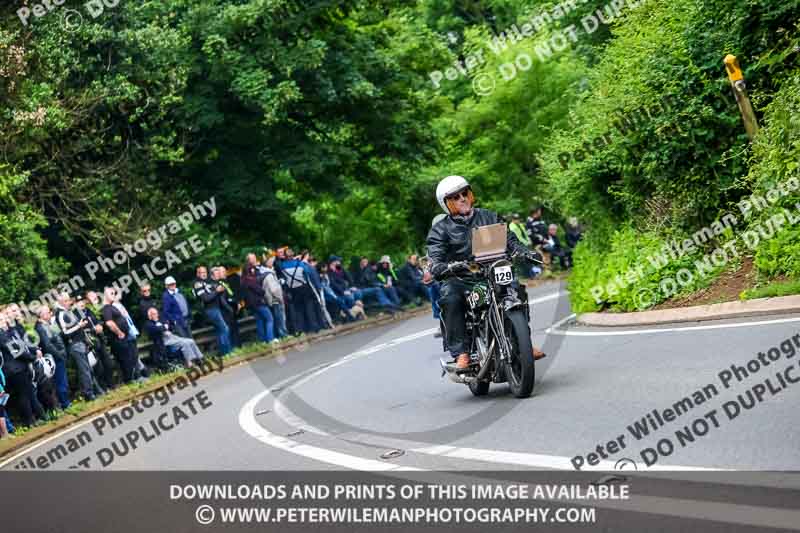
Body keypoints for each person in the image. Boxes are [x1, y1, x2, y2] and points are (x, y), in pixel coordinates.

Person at [426, 175, 546, 370]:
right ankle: (461, 353)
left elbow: (511, 241)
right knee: (449, 298)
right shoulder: (440, 230)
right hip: (460, 278)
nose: (462, 198)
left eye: (465, 193)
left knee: (516, 289)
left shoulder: (490, 217)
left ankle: (523, 342)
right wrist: (442, 267)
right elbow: (436, 257)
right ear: (446, 204)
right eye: (455, 197)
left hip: (492, 271)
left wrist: (525, 252)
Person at [55, 293, 104, 400]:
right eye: (68, 300)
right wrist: (79, 326)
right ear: (62, 302)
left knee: (88, 369)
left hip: (81, 342)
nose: (70, 302)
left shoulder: (68, 312)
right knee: (85, 370)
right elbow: (65, 332)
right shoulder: (60, 314)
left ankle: (97, 391)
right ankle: (89, 394)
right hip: (75, 345)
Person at [0, 309, 44, 426]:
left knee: (28, 393)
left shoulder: (8, 332)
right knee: (23, 396)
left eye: (4, 319)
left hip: (19, 367)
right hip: (14, 370)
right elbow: (15, 351)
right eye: (1, 320)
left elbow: (21, 346)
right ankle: (30, 421)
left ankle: (38, 417)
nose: (4, 321)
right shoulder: (1, 335)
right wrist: (33, 357)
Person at [75, 294, 117, 389]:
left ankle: (111, 384)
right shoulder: (75, 315)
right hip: (89, 343)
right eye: (78, 302)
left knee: (108, 362)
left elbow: (97, 321)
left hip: (99, 339)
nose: (81, 303)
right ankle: (104, 387)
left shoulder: (89, 311)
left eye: (82, 301)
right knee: (98, 367)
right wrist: (93, 329)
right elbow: (79, 329)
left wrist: (100, 325)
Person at [35, 306, 71, 409]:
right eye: (48, 312)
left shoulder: (50, 323)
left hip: (61, 355)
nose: (50, 313)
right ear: (41, 315)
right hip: (55, 358)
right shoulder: (40, 328)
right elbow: (47, 345)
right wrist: (60, 355)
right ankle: (65, 403)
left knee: (63, 381)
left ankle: (65, 402)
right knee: (60, 381)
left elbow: (59, 336)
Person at [280, 251, 324, 334]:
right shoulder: (299, 263)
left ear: (285, 257)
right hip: (303, 287)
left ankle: (302, 329)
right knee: (309, 307)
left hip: (293, 290)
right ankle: (314, 327)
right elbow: (308, 271)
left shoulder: (282, 266)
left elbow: (284, 279)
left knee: (298, 310)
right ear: (293, 256)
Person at [101, 287, 138, 383]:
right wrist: (119, 332)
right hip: (117, 339)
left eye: (114, 293)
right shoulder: (106, 309)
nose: (114, 295)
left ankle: (131, 379)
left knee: (129, 358)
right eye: (111, 293)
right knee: (125, 360)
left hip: (123, 337)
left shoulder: (112, 306)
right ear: (105, 296)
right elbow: (109, 323)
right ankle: (129, 381)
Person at [193, 266, 232, 356]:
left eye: (205, 272)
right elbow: (206, 298)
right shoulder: (197, 284)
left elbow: (216, 294)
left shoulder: (207, 282)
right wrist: (217, 291)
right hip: (210, 309)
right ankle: (227, 352)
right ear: (198, 273)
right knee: (225, 329)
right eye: (202, 273)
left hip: (216, 308)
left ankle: (224, 352)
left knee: (219, 330)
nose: (204, 274)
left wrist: (220, 290)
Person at [241, 254, 276, 342]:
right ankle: (270, 339)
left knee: (259, 321)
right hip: (258, 302)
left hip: (251, 304)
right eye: (252, 270)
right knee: (269, 319)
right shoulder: (250, 280)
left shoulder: (243, 280)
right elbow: (260, 290)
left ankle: (263, 340)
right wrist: (263, 290)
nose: (254, 271)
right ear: (249, 271)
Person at [213, 266, 241, 348]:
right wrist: (230, 308)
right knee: (229, 329)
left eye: (225, 271)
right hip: (225, 309)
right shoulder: (218, 284)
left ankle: (238, 346)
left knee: (235, 328)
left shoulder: (226, 281)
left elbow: (232, 293)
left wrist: (236, 303)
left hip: (232, 307)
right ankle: (233, 347)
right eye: (222, 272)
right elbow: (223, 299)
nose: (224, 273)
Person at [261, 256, 288, 338]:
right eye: (270, 261)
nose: (272, 262)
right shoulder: (269, 275)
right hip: (276, 299)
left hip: (272, 300)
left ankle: (281, 334)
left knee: (278, 318)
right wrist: (280, 297)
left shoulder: (265, 273)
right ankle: (283, 335)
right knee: (280, 318)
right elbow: (274, 290)